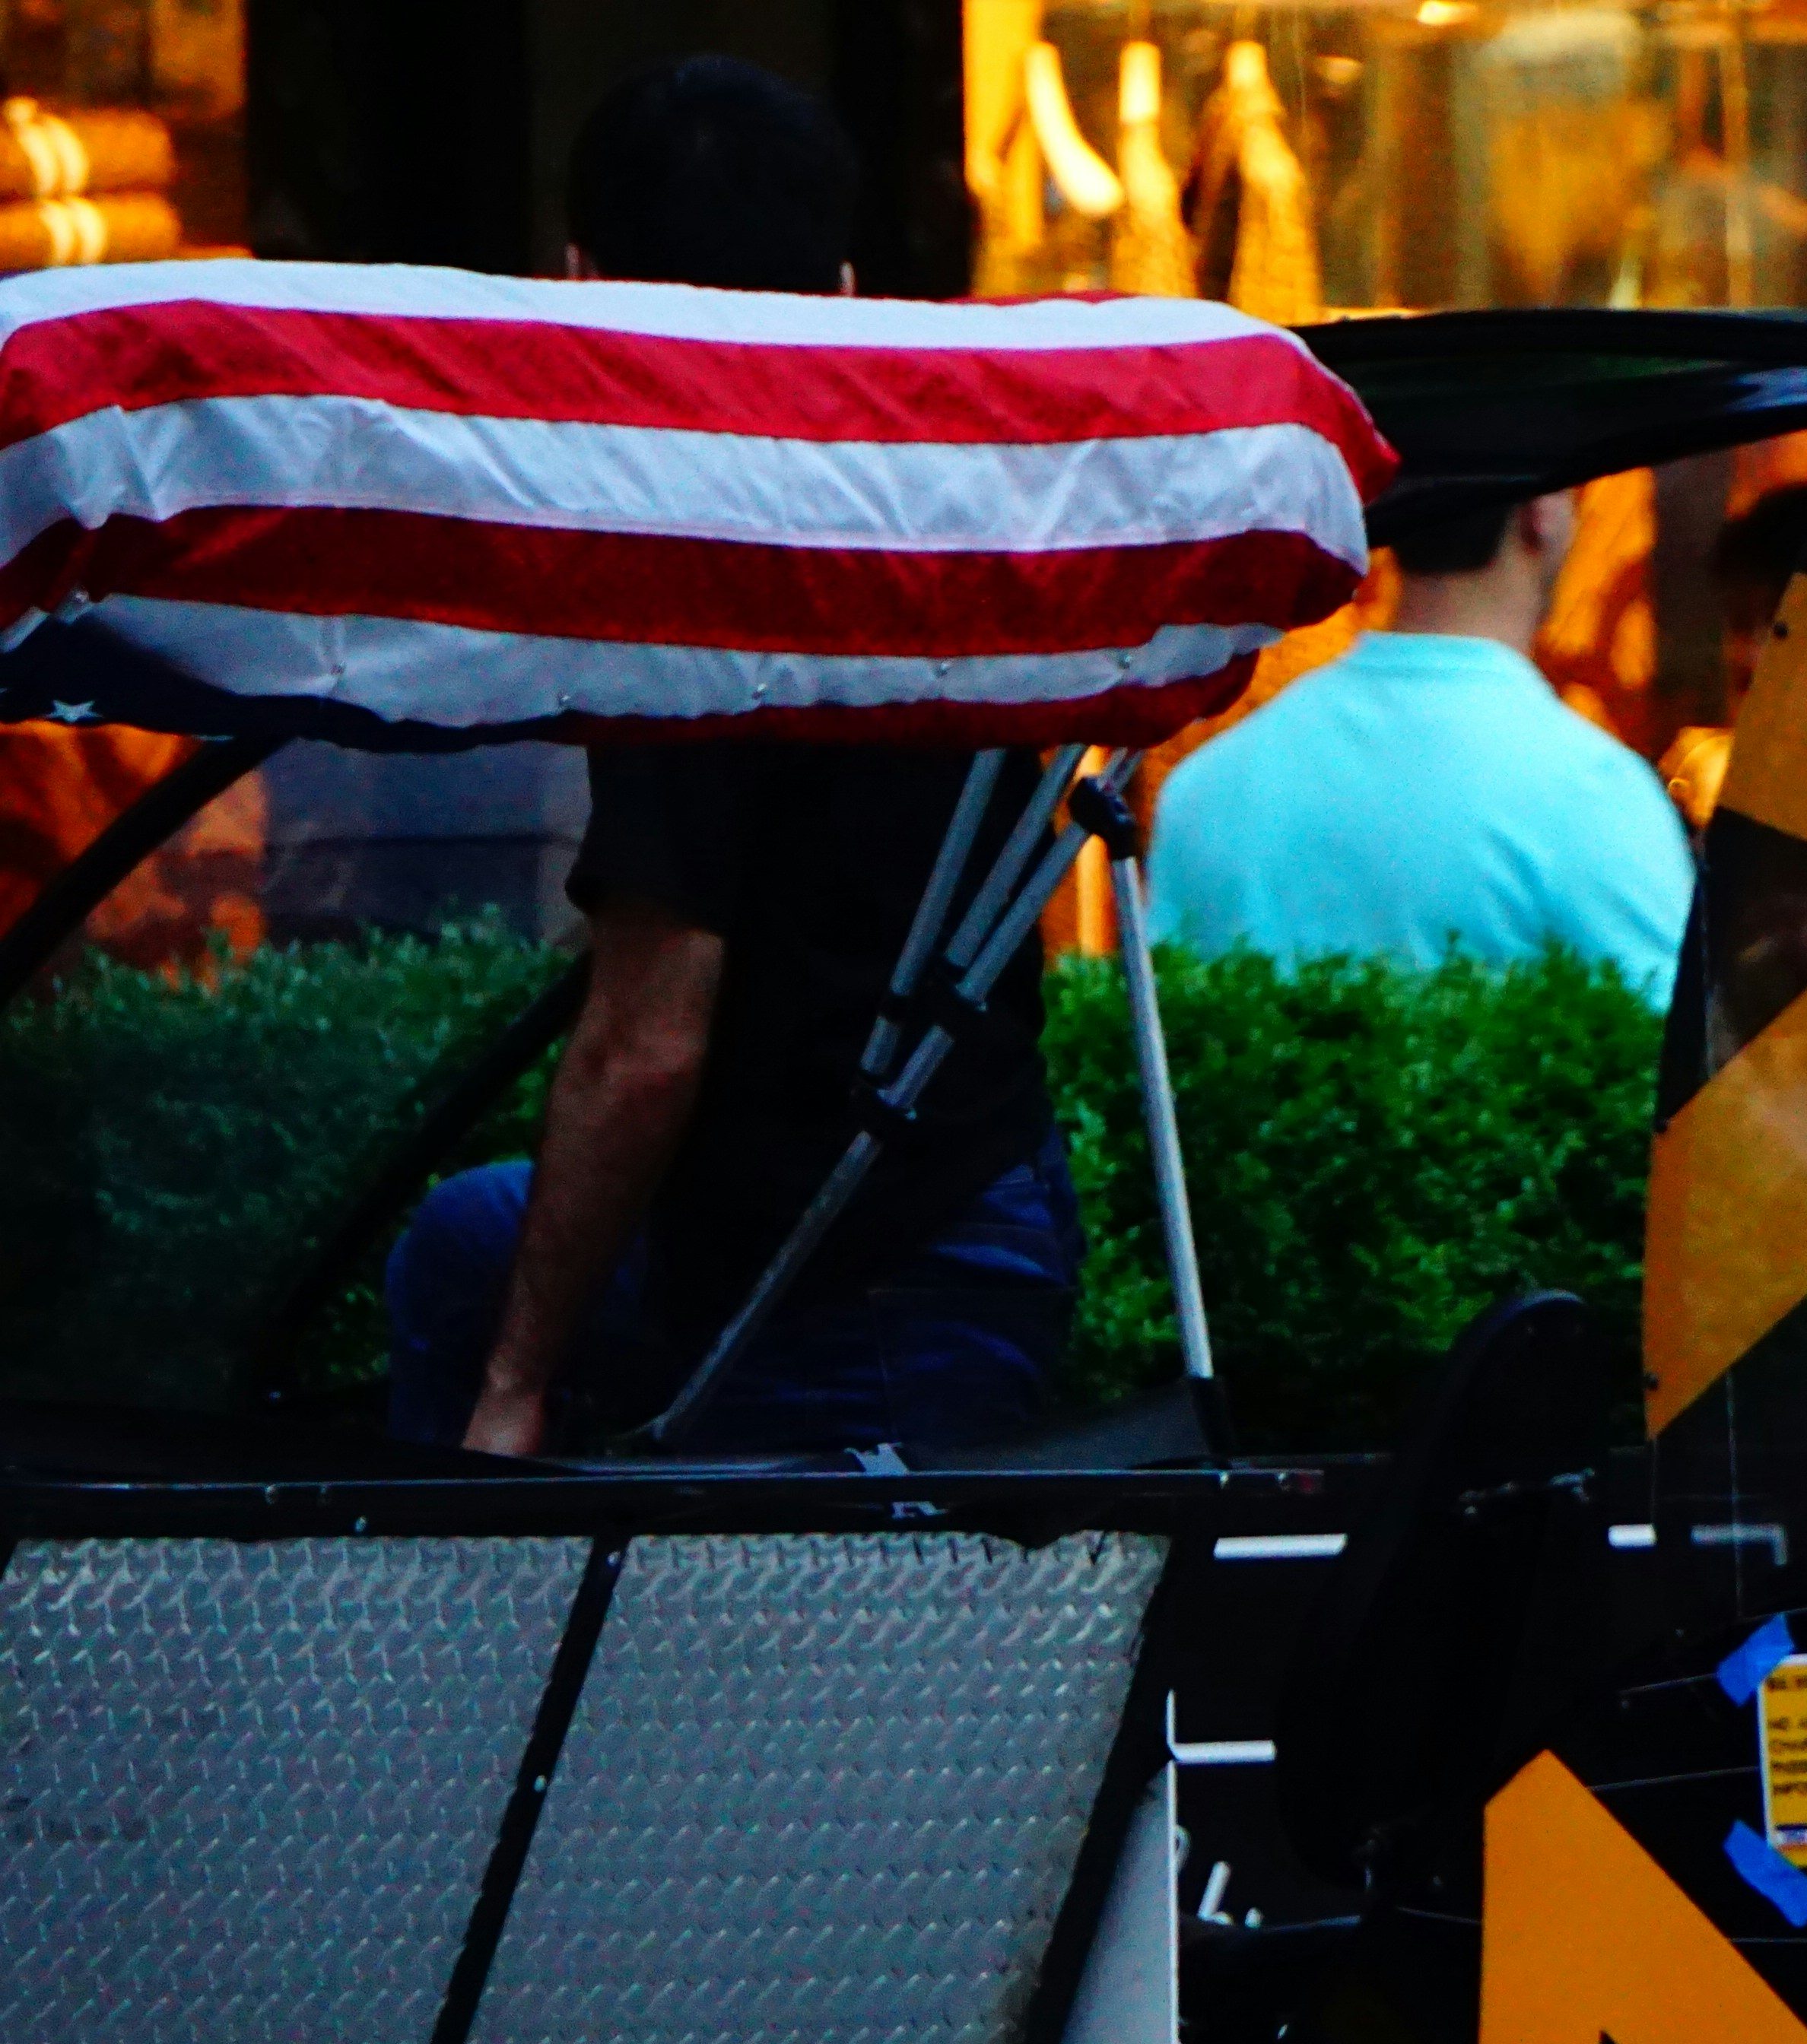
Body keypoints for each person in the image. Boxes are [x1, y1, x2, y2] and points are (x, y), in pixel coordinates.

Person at [389, 56, 1075, 1461]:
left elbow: (644, 1049)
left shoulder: (700, 583)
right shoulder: (938, 522)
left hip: (839, 1289)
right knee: (468, 1238)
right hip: (984, 1204)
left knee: (483, 1318)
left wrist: (511, 1394)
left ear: (581, 288)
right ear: (839, 292)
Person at [1149, 481, 1691, 998]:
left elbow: (1156, 1047)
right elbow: (1684, 1066)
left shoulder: (1206, 790)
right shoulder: (1593, 795)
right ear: (1541, 514)